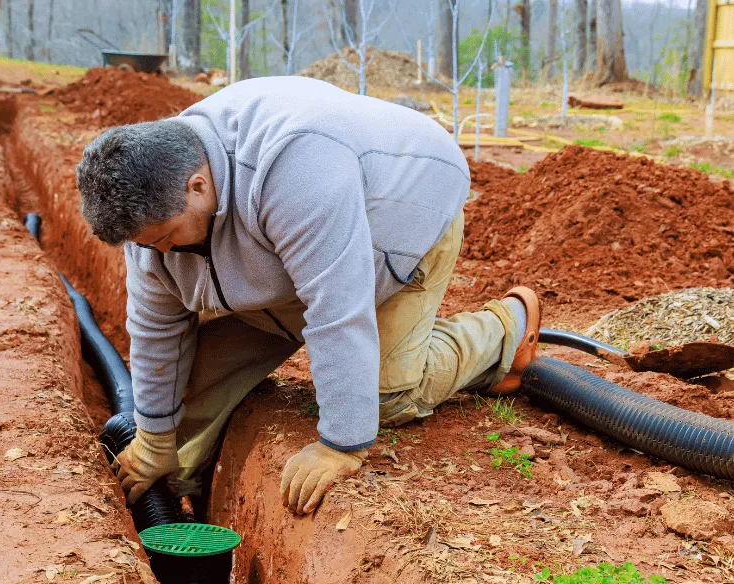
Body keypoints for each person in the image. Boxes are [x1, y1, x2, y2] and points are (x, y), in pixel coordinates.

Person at [75, 76, 540, 516]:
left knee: (384, 398)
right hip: (290, 256)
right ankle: (185, 502)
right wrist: (155, 439)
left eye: (166, 238)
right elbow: (156, 328)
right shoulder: (156, 209)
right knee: (188, 397)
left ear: (198, 187)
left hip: (399, 216)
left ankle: (504, 328)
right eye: (146, 245)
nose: (160, 254)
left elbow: (338, 312)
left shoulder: (294, 169)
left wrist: (340, 444)